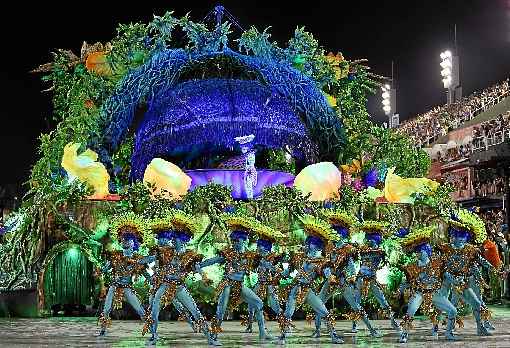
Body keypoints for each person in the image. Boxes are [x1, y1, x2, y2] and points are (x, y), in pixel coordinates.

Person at [144, 211, 221, 346]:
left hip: (179, 287)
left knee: (194, 311)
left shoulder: (189, 255)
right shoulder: (166, 252)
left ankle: (210, 337)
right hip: (164, 285)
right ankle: (154, 336)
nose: (173, 241)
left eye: (176, 239)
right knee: (154, 308)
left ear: (184, 241)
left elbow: (198, 267)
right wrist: (136, 262)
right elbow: (152, 258)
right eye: (173, 239)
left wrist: (204, 277)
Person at [197, 213, 272, 341]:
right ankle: (214, 336)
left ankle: (262, 333)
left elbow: (263, 263)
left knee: (258, 303)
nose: (235, 243)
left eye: (238, 240)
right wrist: (199, 265)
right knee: (221, 310)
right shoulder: (229, 253)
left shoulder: (250, 255)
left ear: (245, 240)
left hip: (239, 285)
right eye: (233, 241)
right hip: (227, 284)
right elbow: (213, 260)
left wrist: (272, 264)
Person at [313, 209, 381, 338]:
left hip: (343, 280)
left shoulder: (348, 249)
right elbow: (326, 264)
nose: (337, 239)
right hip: (331, 280)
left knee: (356, 306)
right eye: (335, 236)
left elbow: (350, 265)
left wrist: (351, 276)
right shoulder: (330, 249)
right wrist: (329, 275)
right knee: (319, 303)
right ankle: (317, 330)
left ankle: (371, 329)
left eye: (339, 236)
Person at [277, 214, 344, 345]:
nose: (307, 247)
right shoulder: (300, 258)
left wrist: (331, 277)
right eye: (307, 245)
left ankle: (334, 336)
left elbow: (326, 272)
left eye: (310, 245)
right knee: (288, 313)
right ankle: (283, 337)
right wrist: (279, 273)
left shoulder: (321, 262)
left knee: (324, 312)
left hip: (307, 291)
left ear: (318, 247)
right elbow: (287, 272)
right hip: (295, 288)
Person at [395, 226, 458, 343]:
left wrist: (455, 281)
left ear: (427, 251)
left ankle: (449, 332)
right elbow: (406, 281)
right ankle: (404, 334)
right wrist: (399, 290)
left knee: (453, 311)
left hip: (434, 293)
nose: (418, 254)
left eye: (420, 252)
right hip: (419, 293)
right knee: (410, 311)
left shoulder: (437, 263)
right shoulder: (412, 266)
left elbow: (446, 275)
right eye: (417, 252)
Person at [97, 212, 153, 336]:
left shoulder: (137, 259)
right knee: (106, 308)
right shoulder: (116, 256)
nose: (125, 242)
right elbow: (105, 268)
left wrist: (153, 280)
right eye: (123, 239)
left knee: (139, 308)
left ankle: (152, 330)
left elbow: (145, 273)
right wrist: (100, 271)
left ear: (134, 243)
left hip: (127, 287)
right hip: (114, 285)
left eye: (128, 239)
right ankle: (103, 330)